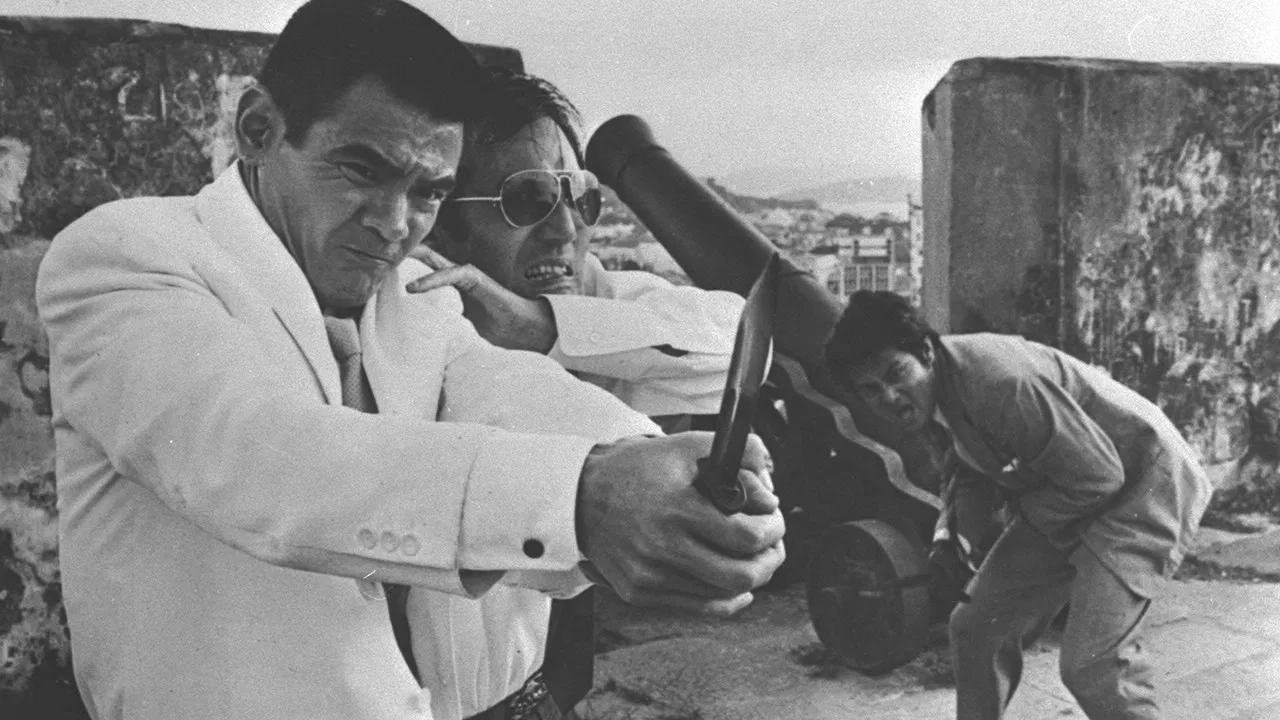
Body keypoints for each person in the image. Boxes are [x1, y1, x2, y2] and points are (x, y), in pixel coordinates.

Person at [35, 2, 785, 719]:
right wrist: (583, 497)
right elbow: (254, 452)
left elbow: (507, 388)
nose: (395, 225)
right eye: (362, 171)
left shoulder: (412, 291)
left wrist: (655, 470)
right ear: (258, 128)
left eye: (428, 192)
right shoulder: (124, 257)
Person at [403, 69, 746, 718]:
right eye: (528, 199)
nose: (566, 229)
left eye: (581, 199)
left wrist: (550, 328)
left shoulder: (573, 287)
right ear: (444, 224)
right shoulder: (416, 299)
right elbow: (503, 390)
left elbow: (739, 334)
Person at [822, 291, 1211, 720]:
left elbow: (1100, 476)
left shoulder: (998, 383)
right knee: (974, 628)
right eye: (871, 390)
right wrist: (951, 543)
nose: (890, 396)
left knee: (1092, 665)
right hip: (1068, 490)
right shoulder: (934, 393)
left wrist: (1021, 521)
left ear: (926, 353)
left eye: (896, 373)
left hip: (1142, 484)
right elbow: (967, 468)